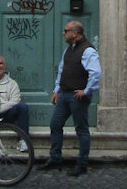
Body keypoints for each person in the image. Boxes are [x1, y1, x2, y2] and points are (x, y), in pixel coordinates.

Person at [39, 20, 101, 176]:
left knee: (81, 130)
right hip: (65, 94)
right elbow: (62, 70)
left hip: (77, 96)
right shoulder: (69, 50)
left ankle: (82, 164)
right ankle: (55, 159)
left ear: (74, 33)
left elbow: (96, 73)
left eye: (65, 30)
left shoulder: (88, 51)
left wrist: (86, 91)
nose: (63, 33)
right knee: (55, 124)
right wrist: (56, 90)